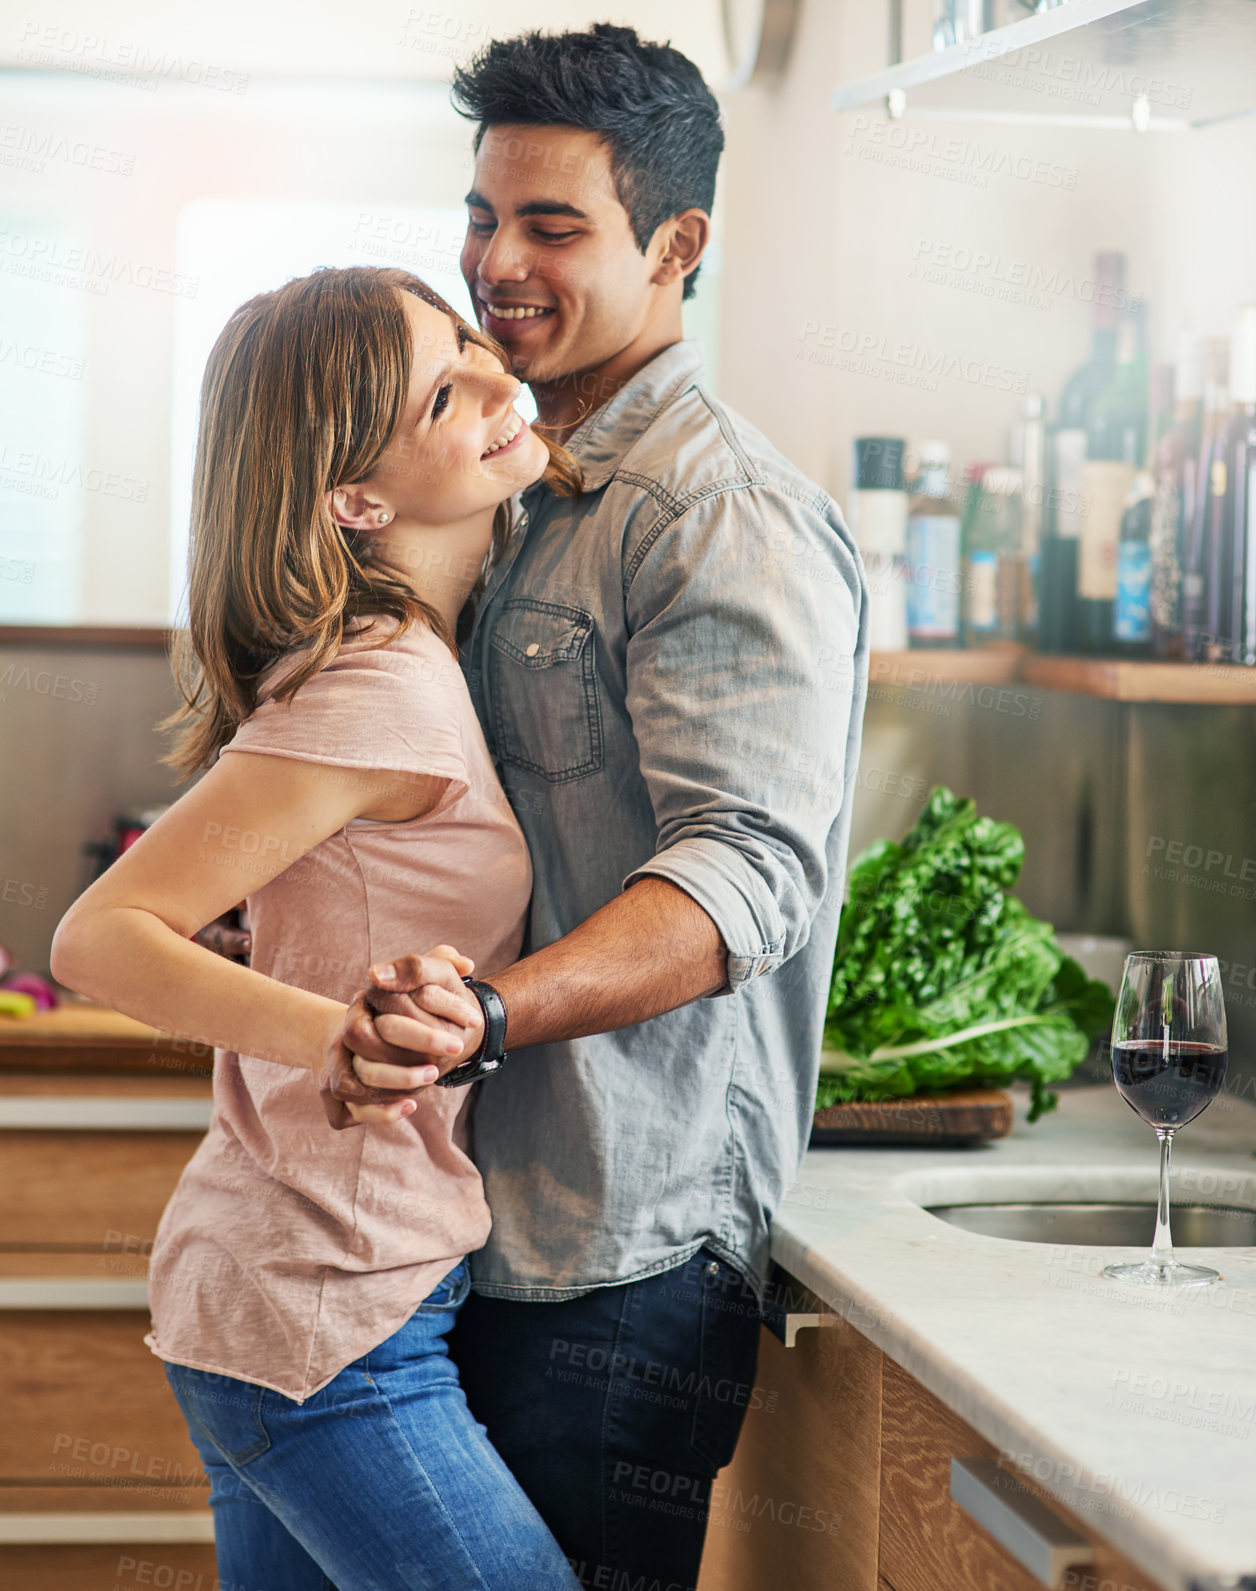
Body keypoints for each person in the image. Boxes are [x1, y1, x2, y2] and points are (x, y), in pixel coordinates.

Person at [335, 25, 870, 1591]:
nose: (498, 261)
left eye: (553, 226)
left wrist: (487, 1017)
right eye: (484, 215)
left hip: (619, 1254)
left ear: (677, 245)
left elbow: (747, 870)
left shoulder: (723, 516)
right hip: (468, 1228)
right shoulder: (508, 485)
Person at [50, 264, 583, 1591]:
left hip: (310, 1304)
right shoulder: (386, 686)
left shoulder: (404, 659)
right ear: (356, 500)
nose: (498, 383)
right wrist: (334, 1032)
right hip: (324, 1323)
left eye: (473, 349)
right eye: (445, 392)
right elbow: (102, 937)